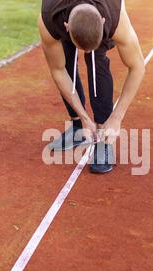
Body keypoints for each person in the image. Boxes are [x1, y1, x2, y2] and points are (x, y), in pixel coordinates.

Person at [39, 0, 145, 173]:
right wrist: (83, 117)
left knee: (96, 61)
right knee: (65, 61)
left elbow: (137, 67)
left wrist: (116, 118)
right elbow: (57, 70)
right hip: (65, 15)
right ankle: (78, 127)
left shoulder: (115, 15)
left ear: (103, 21)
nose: (86, 51)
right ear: (66, 26)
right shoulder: (49, 18)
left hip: (101, 10)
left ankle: (103, 137)